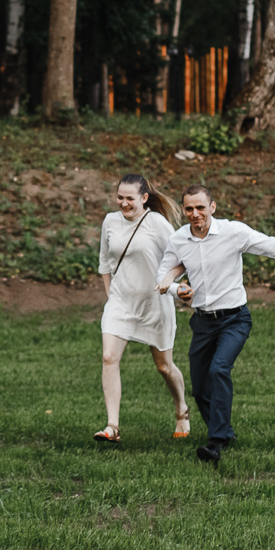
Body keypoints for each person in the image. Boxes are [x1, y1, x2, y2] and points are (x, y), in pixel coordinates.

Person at [156, 184, 275, 463]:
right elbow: (164, 275)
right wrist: (177, 290)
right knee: (199, 388)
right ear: (184, 210)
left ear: (212, 207)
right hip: (203, 322)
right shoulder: (179, 239)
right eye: (189, 208)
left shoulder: (234, 232)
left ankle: (216, 442)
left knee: (219, 369)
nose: (195, 213)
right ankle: (225, 432)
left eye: (200, 207)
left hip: (234, 319)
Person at [92, 174, 190, 443]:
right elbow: (104, 264)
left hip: (154, 305)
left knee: (164, 367)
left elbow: (181, 259)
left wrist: (174, 286)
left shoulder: (156, 224)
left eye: (130, 199)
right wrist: (110, 296)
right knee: (109, 357)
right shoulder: (110, 221)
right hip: (121, 303)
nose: (124, 204)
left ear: (144, 198)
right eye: (120, 197)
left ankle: (182, 409)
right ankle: (113, 426)